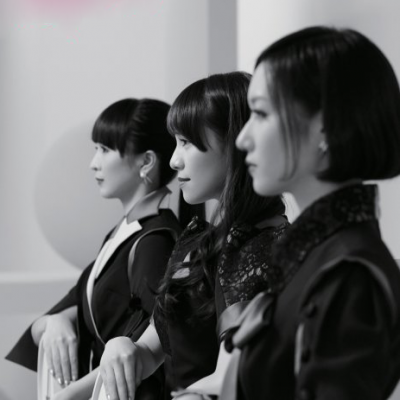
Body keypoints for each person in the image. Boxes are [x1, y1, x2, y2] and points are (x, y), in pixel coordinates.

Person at [220, 26, 400, 400]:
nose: (242, 138)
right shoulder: (313, 254)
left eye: (261, 113)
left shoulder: (348, 274)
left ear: (325, 128)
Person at [98, 72, 289, 400]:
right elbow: (151, 350)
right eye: (175, 143)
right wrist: (122, 346)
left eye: (186, 142)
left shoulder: (260, 246)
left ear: (236, 143)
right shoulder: (200, 241)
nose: (174, 161)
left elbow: (230, 379)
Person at [6, 98, 182, 400]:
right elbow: (67, 307)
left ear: (146, 162)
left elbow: (158, 347)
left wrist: (69, 395)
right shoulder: (123, 233)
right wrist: (56, 321)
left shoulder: (155, 241)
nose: (94, 163)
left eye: (105, 149)